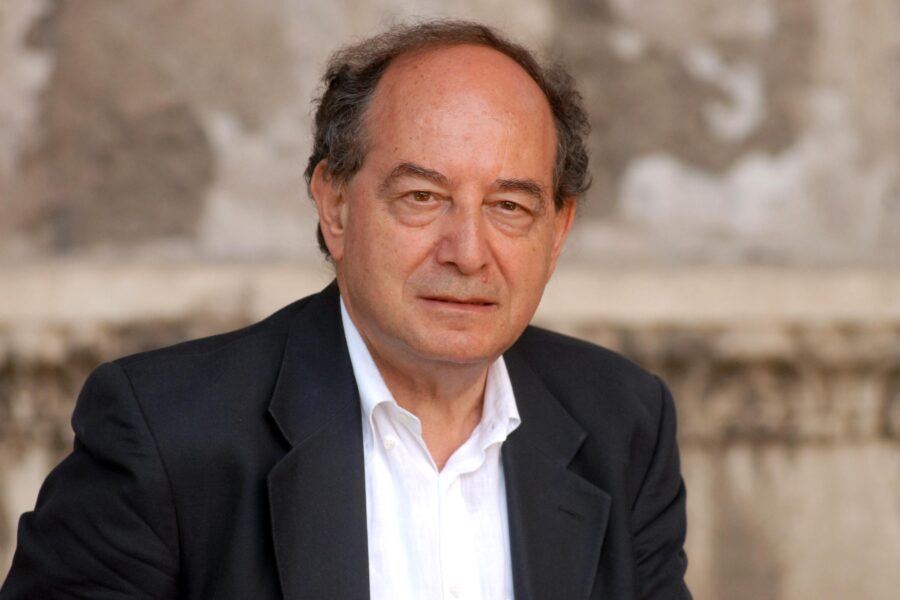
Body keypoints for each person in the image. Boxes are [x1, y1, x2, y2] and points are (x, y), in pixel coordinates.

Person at [1, 19, 691, 600]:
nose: (468, 252)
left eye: (509, 207)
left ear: (558, 231)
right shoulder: (166, 435)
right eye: (422, 197)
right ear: (334, 205)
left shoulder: (622, 424)